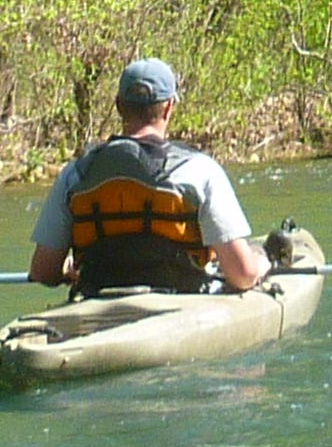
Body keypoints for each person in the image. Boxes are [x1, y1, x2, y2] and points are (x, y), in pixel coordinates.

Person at [29, 58, 270, 296]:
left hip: (98, 295)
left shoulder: (76, 173)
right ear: (168, 107)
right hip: (180, 303)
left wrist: (69, 269)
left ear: (118, 106)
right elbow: (243, 274)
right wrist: (261, 262)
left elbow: (43, 271)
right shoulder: (199, 170)